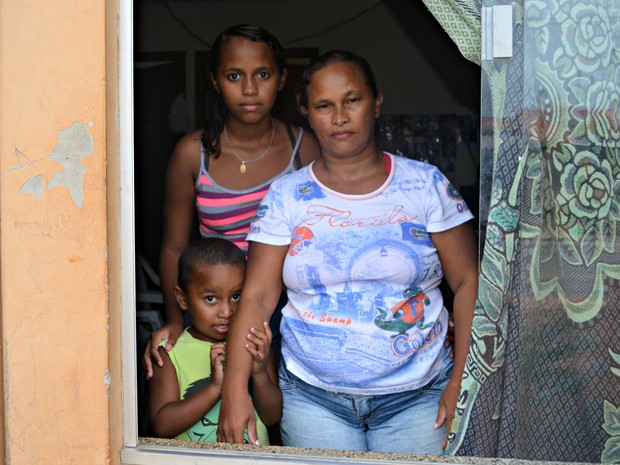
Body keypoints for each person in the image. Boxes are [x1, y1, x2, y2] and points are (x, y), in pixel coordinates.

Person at [217, 50, 478, 455]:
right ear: (307, 112)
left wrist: (461, 381)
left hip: (420, 396)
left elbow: (468, 281)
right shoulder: (286, 197)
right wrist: (235, 392)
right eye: (324, 105)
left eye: (352, 100)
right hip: (312, 399)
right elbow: (256, 297)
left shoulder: (425, 185)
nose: (339, 116)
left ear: (376, 102)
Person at [142, 24, 321, 379]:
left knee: (279, 416)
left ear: (283, 79)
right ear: (214, 81)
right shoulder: (192, 154)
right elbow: (175, 247)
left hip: (291, 312)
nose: (250, 89)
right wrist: (176, 321)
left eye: (263, 74)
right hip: (216, 312)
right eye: (234, 75)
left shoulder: (306, 149)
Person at [149, 237, 280, 444]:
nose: (226, 311)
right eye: (211, 298)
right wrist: (215, 388)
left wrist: (260, 373)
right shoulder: (170, 351)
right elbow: (161, 425)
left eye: (236, 296)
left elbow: (273, 417)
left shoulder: (254, 343)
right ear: (182, 298)